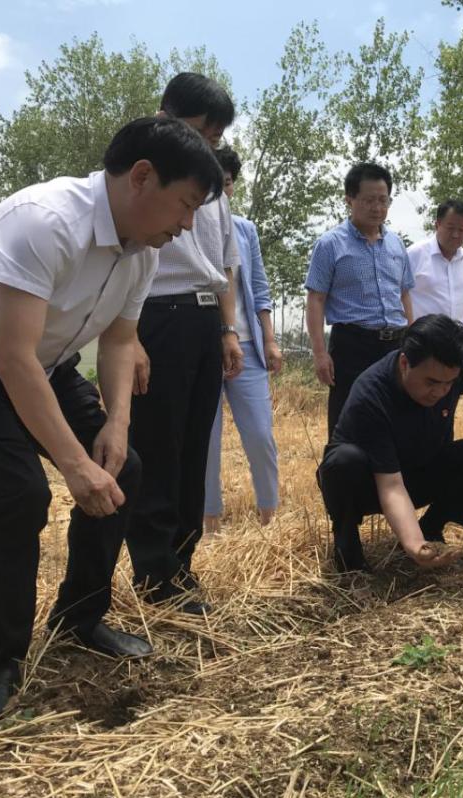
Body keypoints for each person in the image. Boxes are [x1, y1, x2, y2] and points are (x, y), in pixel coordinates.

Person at [0, 117, 223, 724]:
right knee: (21, 495)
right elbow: (10, 358)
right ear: (142, 178)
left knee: (123, 471)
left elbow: (121, 342)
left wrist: (116, 425)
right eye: (185, 205)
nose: (186, 225)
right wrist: (72, 465)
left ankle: (79, 618)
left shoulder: (142, 250)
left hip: (43, 362)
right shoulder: (43, 222)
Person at [125, 73, 243, 615]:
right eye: (201, 132)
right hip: (156, 316)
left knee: (196, 446)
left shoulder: (210, 186)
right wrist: (129, 336)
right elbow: (124, 259)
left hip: (200, 320)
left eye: (215, 139)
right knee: (158, 445)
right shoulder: (137, 179)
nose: (207, 146)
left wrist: (226, 330)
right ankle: (153, 573)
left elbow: (222, 266)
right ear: (165, 117)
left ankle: (182, 562)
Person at [317, 314, 463, 572]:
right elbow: (391, 485)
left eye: (449, 383)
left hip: (423, 470)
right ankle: (347, 540)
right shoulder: (371, 393)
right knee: (343, 462)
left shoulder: (452, 366)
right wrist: (414, 546)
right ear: (404, 362)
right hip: (370, 483)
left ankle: (431, 528)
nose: (440, 392)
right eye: (431, 382)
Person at [305, 162, 414, 440]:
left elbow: (404, 294)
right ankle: (341, 479)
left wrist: (413, 339)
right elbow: (316, 299)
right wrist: (319, 353)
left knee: (397, 419)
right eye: (368, 200)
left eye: (383, 200)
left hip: (395, 345)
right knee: (348, 422)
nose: (377, 208)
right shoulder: (330, 244)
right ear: (349, 199)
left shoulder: (396, 245)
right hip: (352, 345)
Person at [204, 145, 281, 533]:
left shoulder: (246, 230)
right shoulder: (186, 228)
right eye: (213, 182)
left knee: (261, 434)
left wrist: (269, 340)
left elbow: (260, 289)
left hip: (248, 348)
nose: (220, 191)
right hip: (204, 345)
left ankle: (270, 514)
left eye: (228, 183)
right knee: (207, 440)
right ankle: (211, 521)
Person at [406, 199, 463, 329]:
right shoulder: (414, 255)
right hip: (422, 341)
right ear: (437, 225)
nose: (456, 235)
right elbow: (398, 298)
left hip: (457, 343)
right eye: (450, 228)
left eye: (462, 230)